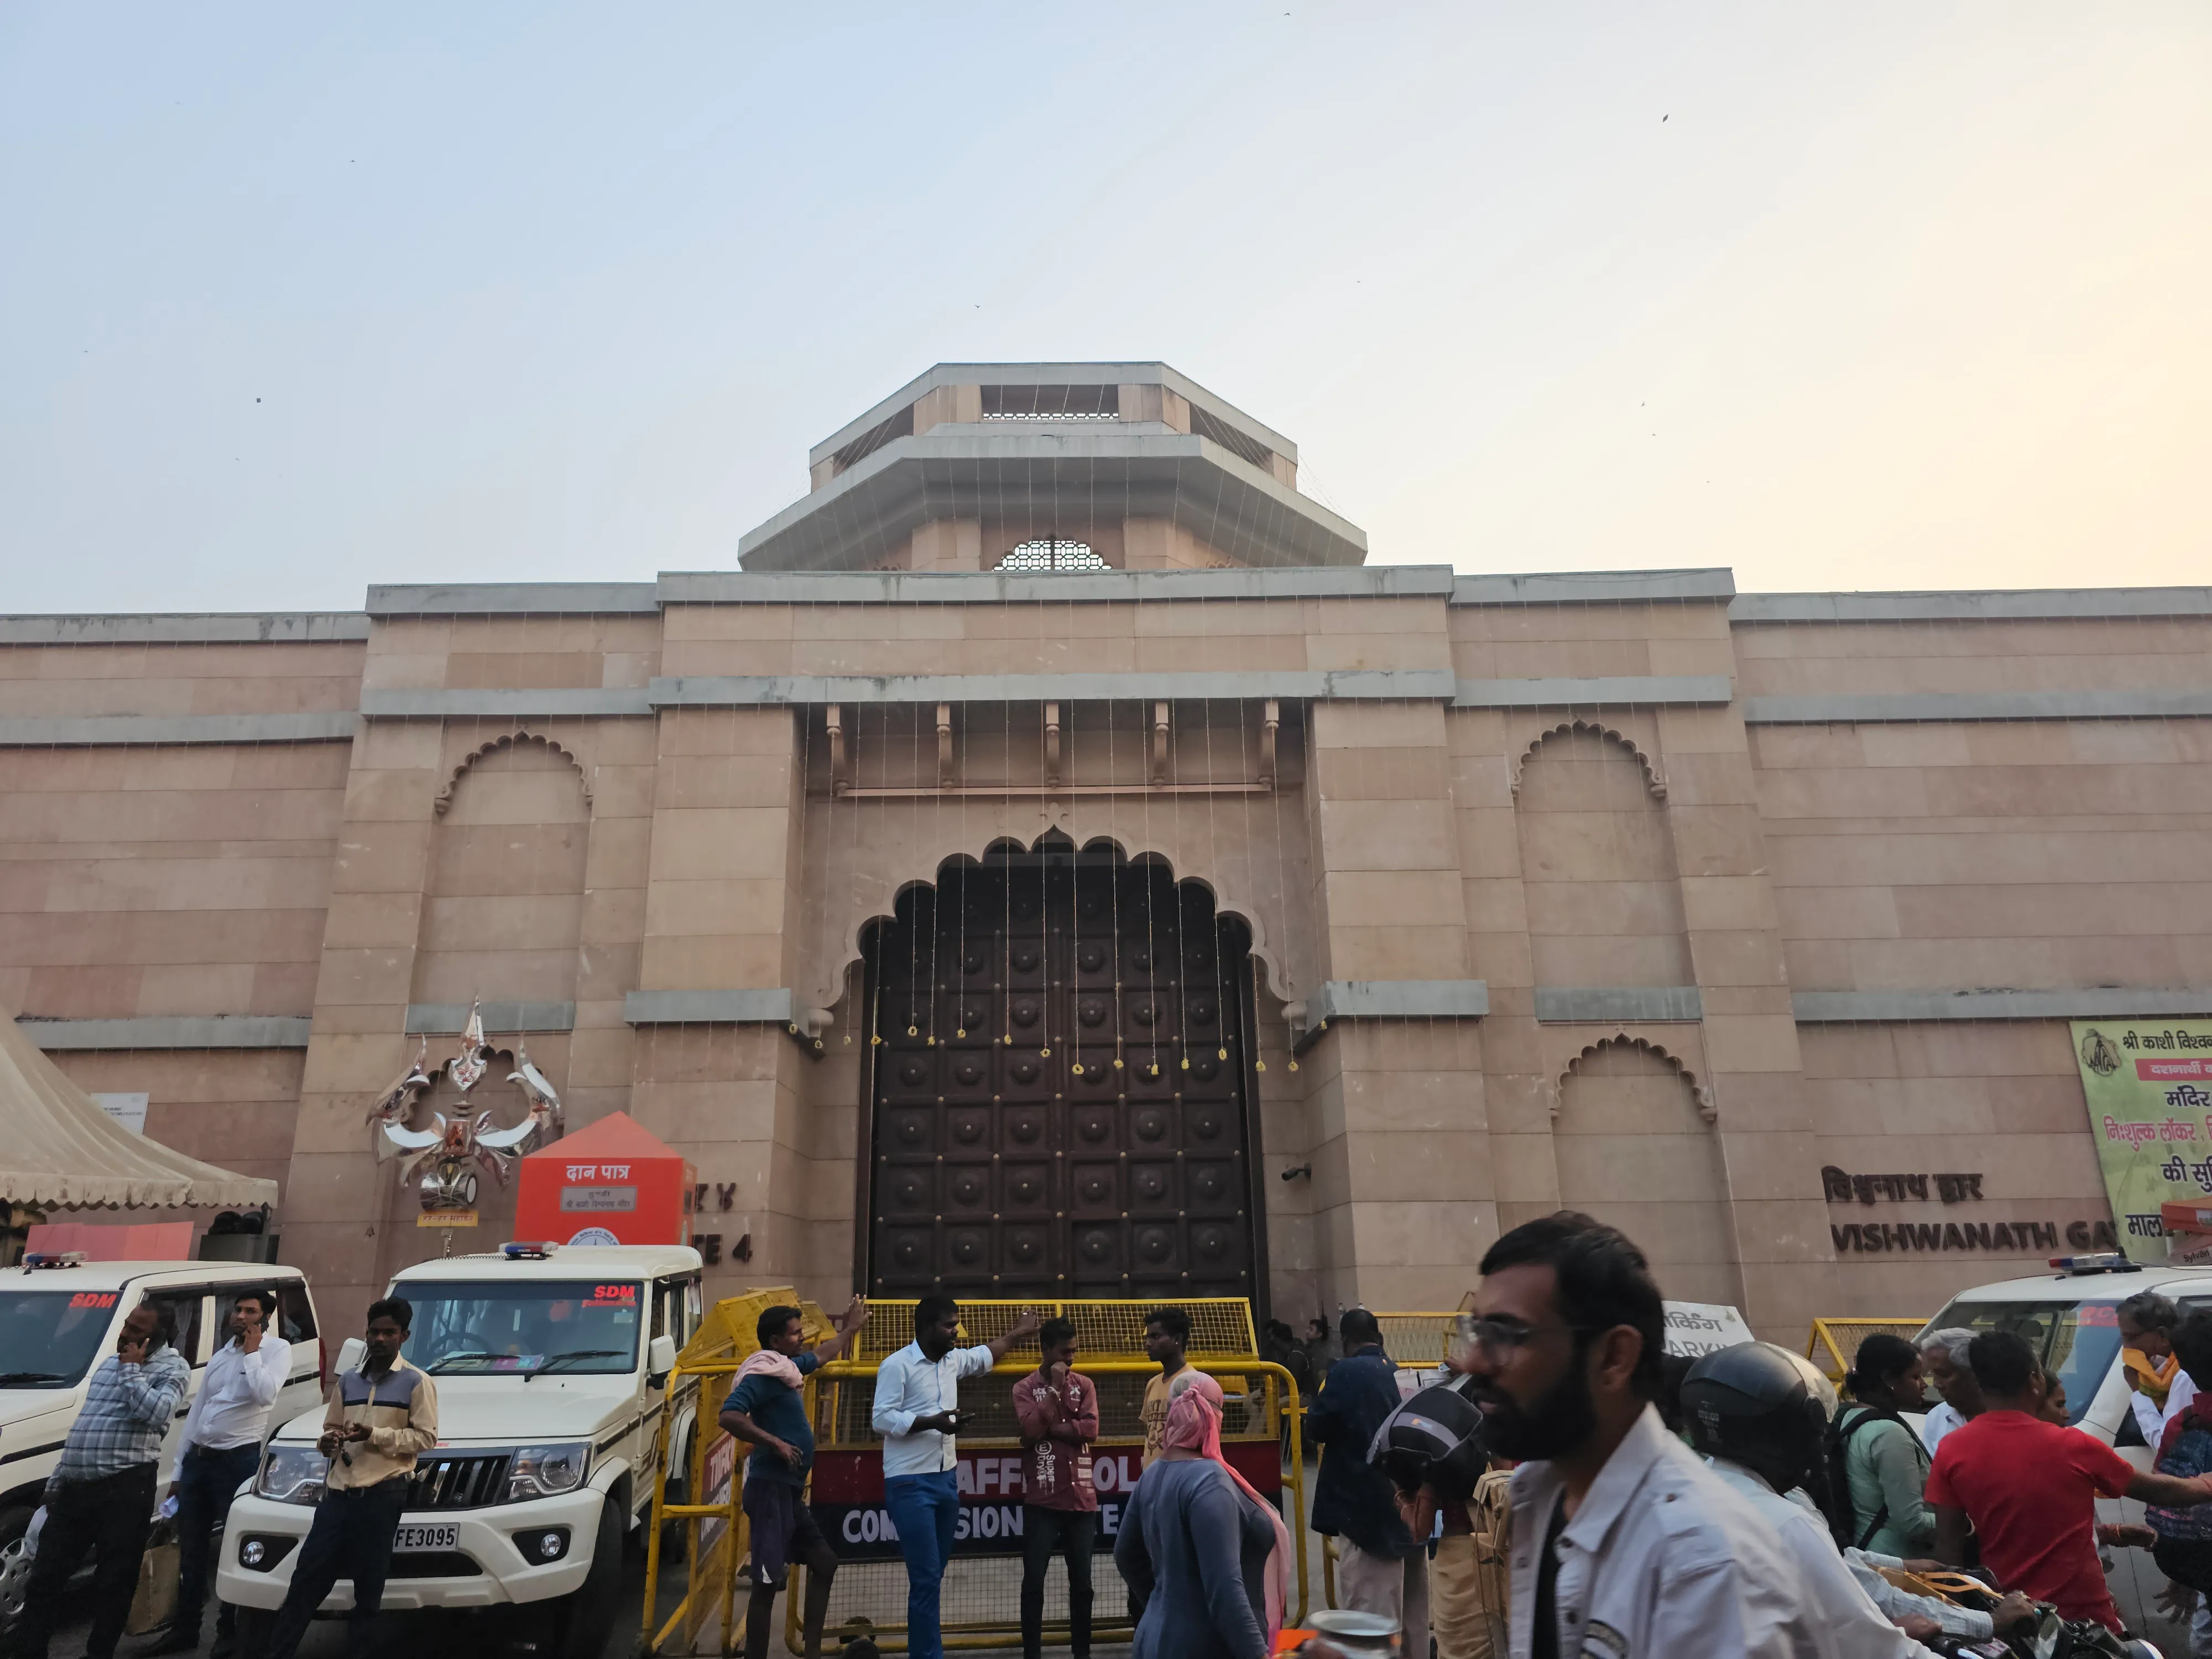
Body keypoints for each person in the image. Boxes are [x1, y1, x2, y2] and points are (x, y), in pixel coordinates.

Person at [1456, 1211, 1824, 1656]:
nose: (1473, 1361)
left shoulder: (1703, 1564)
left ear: (1614, 1357)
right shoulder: (1540, 1496)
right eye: (1476, 1331)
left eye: (1505, 1334)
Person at [1679, 1340, 2041, 1658]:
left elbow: (1836, 1562)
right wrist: (1987, 1623)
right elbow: (1868, 1631)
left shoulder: (1706, 1487)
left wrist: (1903, 1566)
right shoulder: (1786, 1521)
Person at [1926, 1328, 2212, 1634]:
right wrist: (2206, 1484)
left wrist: (1967, 1624)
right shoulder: (2073, 1445)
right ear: (2035, 1380)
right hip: (2082, 1621)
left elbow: (1948, 1549)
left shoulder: (1952, 1449)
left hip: (2011, 1618)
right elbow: (2159, 1491)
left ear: (1979, 1383)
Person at [260, 1298, 438, 1659]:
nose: (380, 1339)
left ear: (404, 1336)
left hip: (382, 1496)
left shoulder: (417, 1382)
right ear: (366, 1333)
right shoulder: (350, 1381)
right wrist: (327, 1442)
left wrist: (375, 1435)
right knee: (305, 1586)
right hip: (338, 1497)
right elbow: (331, 1428)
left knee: (368, 1595)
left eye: (389, 1333)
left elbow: (425, 1438)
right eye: (374, 1332)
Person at [11, 1301, 189, 1659]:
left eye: (137, 1330)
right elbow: (85, 1426)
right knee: (45, 1577)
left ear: (158, 1336)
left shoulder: (174, 1368)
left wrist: (131, 1371)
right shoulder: (108, 1365)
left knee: (114, 1583)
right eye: (127, 1325)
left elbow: (158, 1414)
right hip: (76, 1489)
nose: (126, 1333)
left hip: (124, 1489)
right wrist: (57, 1480)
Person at [871, 1296, 1043, 1659]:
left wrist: (1019, 1333)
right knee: (926, 1578)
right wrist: (931, 1423)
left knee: (933, 1576)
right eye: (949, 1325)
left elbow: (986, 1354)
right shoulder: (896, 1365)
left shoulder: (952, 1361)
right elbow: (881, 1419)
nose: (956, 1332)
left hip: (945, 1479)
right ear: (927, 1327)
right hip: (909, 1482)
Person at [719, 1296, 868, 1659]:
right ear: (775, 1341)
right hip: (770, 1491)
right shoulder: (763, 1375)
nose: (802, 1338)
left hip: (788, 1493)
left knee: (824, 1563)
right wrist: (776, 1443)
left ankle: (812, 1652)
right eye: (795, 1333)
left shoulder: (785, 1369)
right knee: (767, 1584)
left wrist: (851, 1329)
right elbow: (729, 1416)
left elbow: (822, 1355)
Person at [153, 1288, 292, 1656]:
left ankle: (228, 1633)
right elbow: (198, 1413)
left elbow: (265, 1394)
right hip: (200, 1460)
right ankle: (186, 1629)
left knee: (233, 1548)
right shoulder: (221, 1355)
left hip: (236, 1462)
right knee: (192, 1548)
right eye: (238, 1310)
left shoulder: (277, 1351)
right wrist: (179, 1470)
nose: (240, 1316)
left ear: (265, 1318)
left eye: (250, 1311)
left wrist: (252, 1353)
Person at [1114, 1371, 1284, 1659]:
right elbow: (1226, 1591)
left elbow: (1126, 1556)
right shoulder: (1210, 1481)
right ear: (1214, 1417)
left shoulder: (1152, 1474)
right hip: (1204, 1645)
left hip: (1154, 1636)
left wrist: (1166, 1604)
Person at [1309, 1308, 1426, 1659]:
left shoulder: (1346, 1372)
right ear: (1381, 1339)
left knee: (1370, 1625)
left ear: (1345, 1341)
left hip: (1367, 1516)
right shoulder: (1401, 1374)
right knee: (1414, 1621)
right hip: (1412, 1511)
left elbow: (1316, 1427)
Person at [1011, 1318, 1099, 1659]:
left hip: (1081, 1500)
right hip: (1042, 1501)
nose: (1071, 1358)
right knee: (1034, 1582)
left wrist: (1050, 1428)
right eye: (1065, 1352)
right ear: (1046, 1350)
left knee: (1083, 1585)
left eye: (1074, 1351)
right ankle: (1032, 1653)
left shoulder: (1085, 1385)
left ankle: (1082, 1653)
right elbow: (1032, 1430)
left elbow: (1090, 1431)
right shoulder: (1023, 1388)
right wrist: (1054, 1390)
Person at [1833, 1333, 1935, 1557]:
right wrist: (1959, 1520)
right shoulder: (1890, 1434)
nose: (1923, 1385)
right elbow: (1912, 1523)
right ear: (1889, 1379)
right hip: (1899, 1561)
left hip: (1866, 1549)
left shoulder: (1850, 1415)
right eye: (1915, 1376)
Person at [2121, 1291, 2185, 1444]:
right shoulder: (2155, 1374)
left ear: (2162, 1336)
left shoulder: (2186, 1377)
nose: (2126, 1347)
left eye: (2130, 1338)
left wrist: (2138, 1393)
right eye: (2123, 1338)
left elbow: (2166, 1445)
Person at [1913, 1329, 1980, 1455]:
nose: (1936, 1384)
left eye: (1944, 1375)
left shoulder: (2005, 1417)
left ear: (1973, 1373)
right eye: (1933, 1374)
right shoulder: (1937, 1416)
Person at [1141, 1308, 1191, 1468]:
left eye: (1156, 1337)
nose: (1148, 1343)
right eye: (1148, 1337)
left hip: (1177, 1474)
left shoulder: (1192, 1383)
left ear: (1177, 1339)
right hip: (1152, 1475)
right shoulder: (1153, 1384)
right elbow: (1149, 1433)